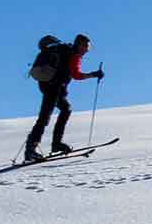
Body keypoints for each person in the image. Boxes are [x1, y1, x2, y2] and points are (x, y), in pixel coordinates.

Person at [24, 33, 104, 162]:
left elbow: (71, 74)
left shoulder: (65, 52)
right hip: (54, 88)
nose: (86, 50)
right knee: (45, 117)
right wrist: (93, 74)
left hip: (47, 85)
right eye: (86, 47)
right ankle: (31, 150)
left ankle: (54, 144)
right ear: (79, 44)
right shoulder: (72, 54)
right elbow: (76, 75)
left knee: (65, 109)